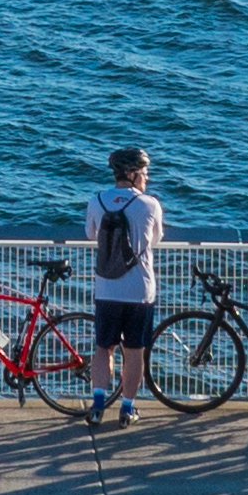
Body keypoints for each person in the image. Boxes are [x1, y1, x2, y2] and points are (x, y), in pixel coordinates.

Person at [82, 147, 166, 425]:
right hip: (139, 291)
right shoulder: (150, 204)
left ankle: (97, 405)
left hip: (106, 289)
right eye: (143, 173)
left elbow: (91, 234)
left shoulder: (97, 201)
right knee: (134, 351)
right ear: (131, 174)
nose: (147, 178)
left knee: (103, 348)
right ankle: (127, 407)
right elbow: (156, 239)